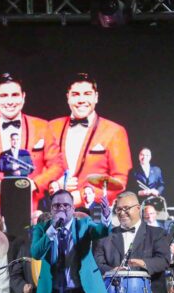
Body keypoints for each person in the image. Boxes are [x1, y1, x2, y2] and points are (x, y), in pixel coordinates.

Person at [31, 190, 111, 293]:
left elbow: (100, 231)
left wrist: (105, 217)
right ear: (51, 209)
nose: (62, 209)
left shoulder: (84, 224)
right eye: (57, 205)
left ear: (73, 209)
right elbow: (36, 253)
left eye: (66, 205)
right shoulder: (42, 229)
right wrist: (52, 229)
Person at [0, 73, 63, 208]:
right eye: (4, 96)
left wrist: (34, 184)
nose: (9, 101)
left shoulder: (43, 127)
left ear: (23, 97)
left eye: (14, 95)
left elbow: (57, 166)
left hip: (32, 208)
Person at [93, 191, 171, 293]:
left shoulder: (157, 233)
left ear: (138, 208)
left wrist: (145, 263)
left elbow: (164, 260)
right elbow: (97, 262)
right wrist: (111, 271)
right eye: (119, 209)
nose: (122, 213)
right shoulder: (105, 236)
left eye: (126, 208)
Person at [47, 73, 132, 205]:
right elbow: (39, 171)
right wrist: (54, 186)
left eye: (87, 94)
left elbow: (120, 182)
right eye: (75, 94)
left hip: (95, 216)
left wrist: (82, 196)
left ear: (96, 97)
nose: (81, 99)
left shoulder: (115, 131)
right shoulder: (51, 127)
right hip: (55, 212)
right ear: (68, 97)